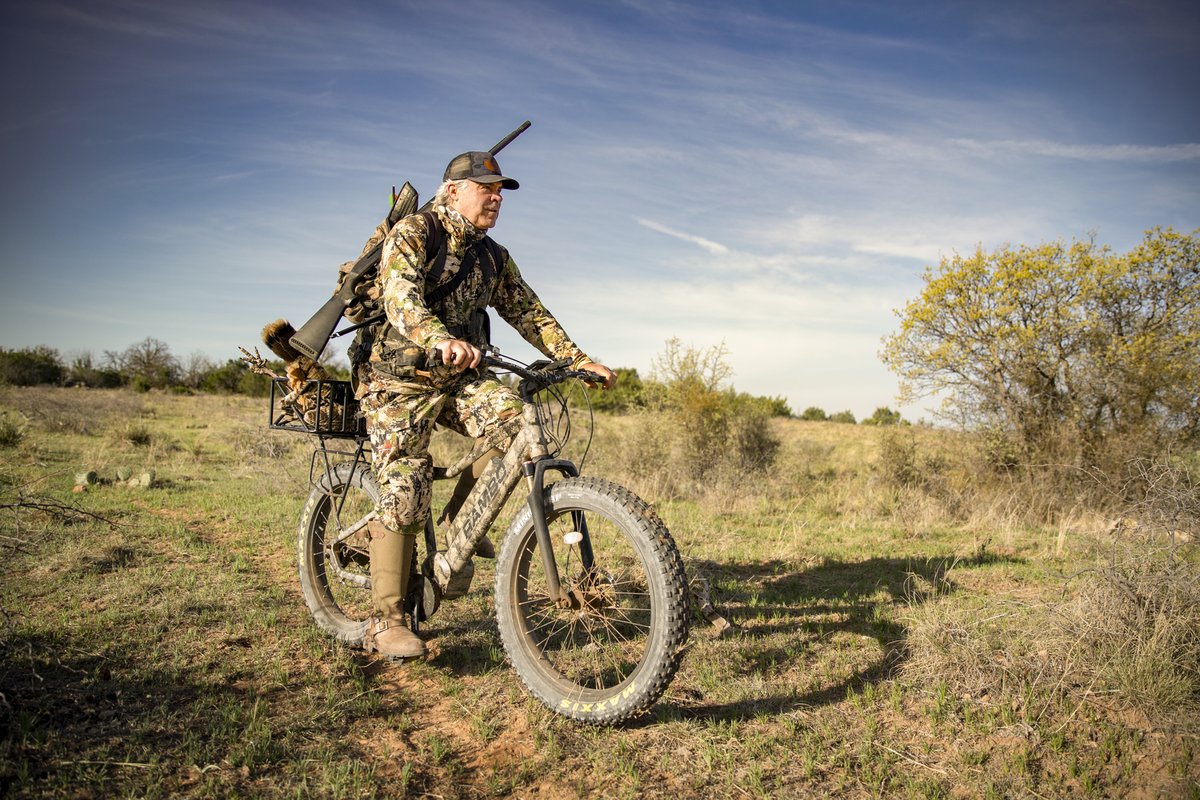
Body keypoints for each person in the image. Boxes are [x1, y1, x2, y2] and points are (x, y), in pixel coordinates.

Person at [356, 150, 616, 660]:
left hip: (460, 378)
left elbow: (530, 313)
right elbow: (401, 299)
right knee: (407, 487)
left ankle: (460, 527)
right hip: (397, 381)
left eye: (501, 191)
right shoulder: (414, 233)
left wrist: (578, 359)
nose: (496, 198)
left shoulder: (493, 256)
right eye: (486, 188)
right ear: (453, 191)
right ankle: (386, 620)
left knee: (520, 424)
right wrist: (438, 337)